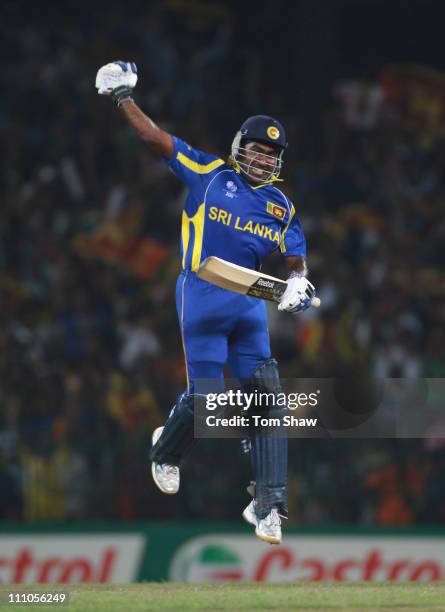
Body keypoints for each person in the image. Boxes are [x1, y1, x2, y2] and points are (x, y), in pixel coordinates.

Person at [95, 61, 316, 544]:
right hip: (201, 294)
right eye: (257, 149)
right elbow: (157, 141)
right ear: (241, 147)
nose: (263, 159)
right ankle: (166, 450)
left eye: (271, 153)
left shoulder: (282, 206)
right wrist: (121, 99)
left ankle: (268, 504)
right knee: (209, 406)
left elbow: (294, 260)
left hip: (249, 306)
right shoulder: (211, 174)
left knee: (268, 400)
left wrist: (299, 284)